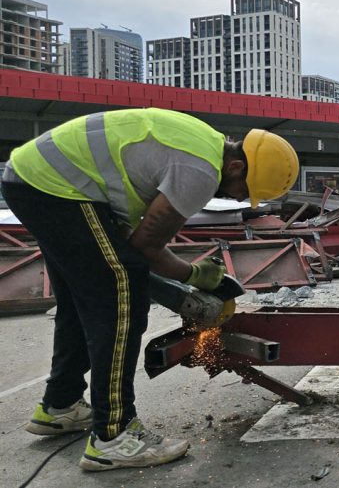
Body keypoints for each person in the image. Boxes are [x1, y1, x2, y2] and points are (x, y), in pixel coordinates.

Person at [0, 108, 299, 471]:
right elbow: (145, 248)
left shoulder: (202, 141)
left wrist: (189, 276)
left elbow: (131, 237)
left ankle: (59, 405)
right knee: (122, 296)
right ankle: (114, 435)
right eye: (244, 193)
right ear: (236, 168)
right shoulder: (199, 172)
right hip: (56, 187)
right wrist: (196, 275)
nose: (238, 200)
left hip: (35, 178)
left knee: (84, 296)